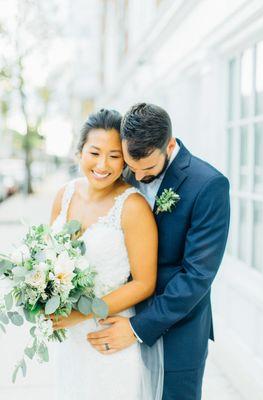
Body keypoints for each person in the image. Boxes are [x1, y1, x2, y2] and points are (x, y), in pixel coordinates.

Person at [88, 103, 230, 400]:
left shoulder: (209, 185)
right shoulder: (127, 170)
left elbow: (197, 276)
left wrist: (137, 327)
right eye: (132, 167)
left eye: (149, 169)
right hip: (118, 317)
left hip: (177, 330)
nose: (138, 177)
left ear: (169, 144)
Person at [50, 109, 164, 400]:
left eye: (114, 156)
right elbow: (48, 258)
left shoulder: (133, 206)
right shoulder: (63, 195)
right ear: (79, 152)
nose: (103, 164)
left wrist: (83, 313)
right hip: (68, 341)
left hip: (109, 336)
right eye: (95, 152)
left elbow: (144, 283)